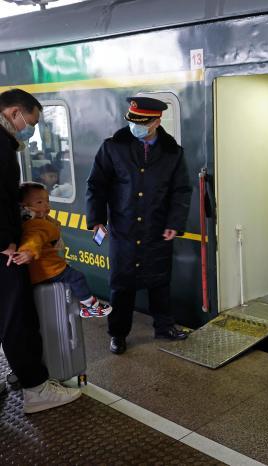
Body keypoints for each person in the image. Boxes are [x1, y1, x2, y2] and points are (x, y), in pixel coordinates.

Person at [86, 96, 192, 355]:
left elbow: (181, 190)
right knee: (122, 285)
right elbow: (96, 185)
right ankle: (118, 334)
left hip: (157, 228)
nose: (135, 127)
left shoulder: (172, 153)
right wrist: (96, 219)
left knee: (160, 282)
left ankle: (164, 327)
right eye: (132, 121)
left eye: (142, 123)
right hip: (123, 229)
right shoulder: (113, 147)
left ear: (156, 122)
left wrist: (174, 223)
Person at [0, 88, 81, 412]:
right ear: (14, 113)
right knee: (17, 317)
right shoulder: (1, 145)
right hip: (4, 252)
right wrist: (5, 240)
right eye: (30, 123)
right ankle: (36, 389)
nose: (29, 130)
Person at [13, 182, 113, 318]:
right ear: (25, 206)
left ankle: (85, 305)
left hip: (43, 271)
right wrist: (28, 252)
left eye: (47, 201)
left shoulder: (33, 220)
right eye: (39, 202)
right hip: (50, 270)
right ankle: (91, 307)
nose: (46, 205)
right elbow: (34, 239)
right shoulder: (37, 224)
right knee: (77, 278)